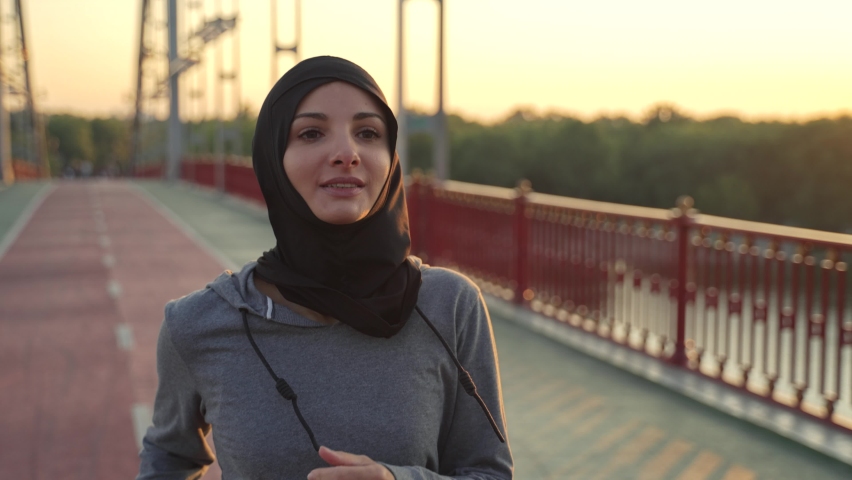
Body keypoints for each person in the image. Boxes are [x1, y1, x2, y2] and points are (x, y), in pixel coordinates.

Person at [137, 56, 513, 480]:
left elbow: (490, 472)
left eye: (368, 133)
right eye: (312, 133)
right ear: (272, 157)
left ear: (390, 159)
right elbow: (168, 461)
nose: (346, 154)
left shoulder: (450, 306)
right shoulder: (199, 323)